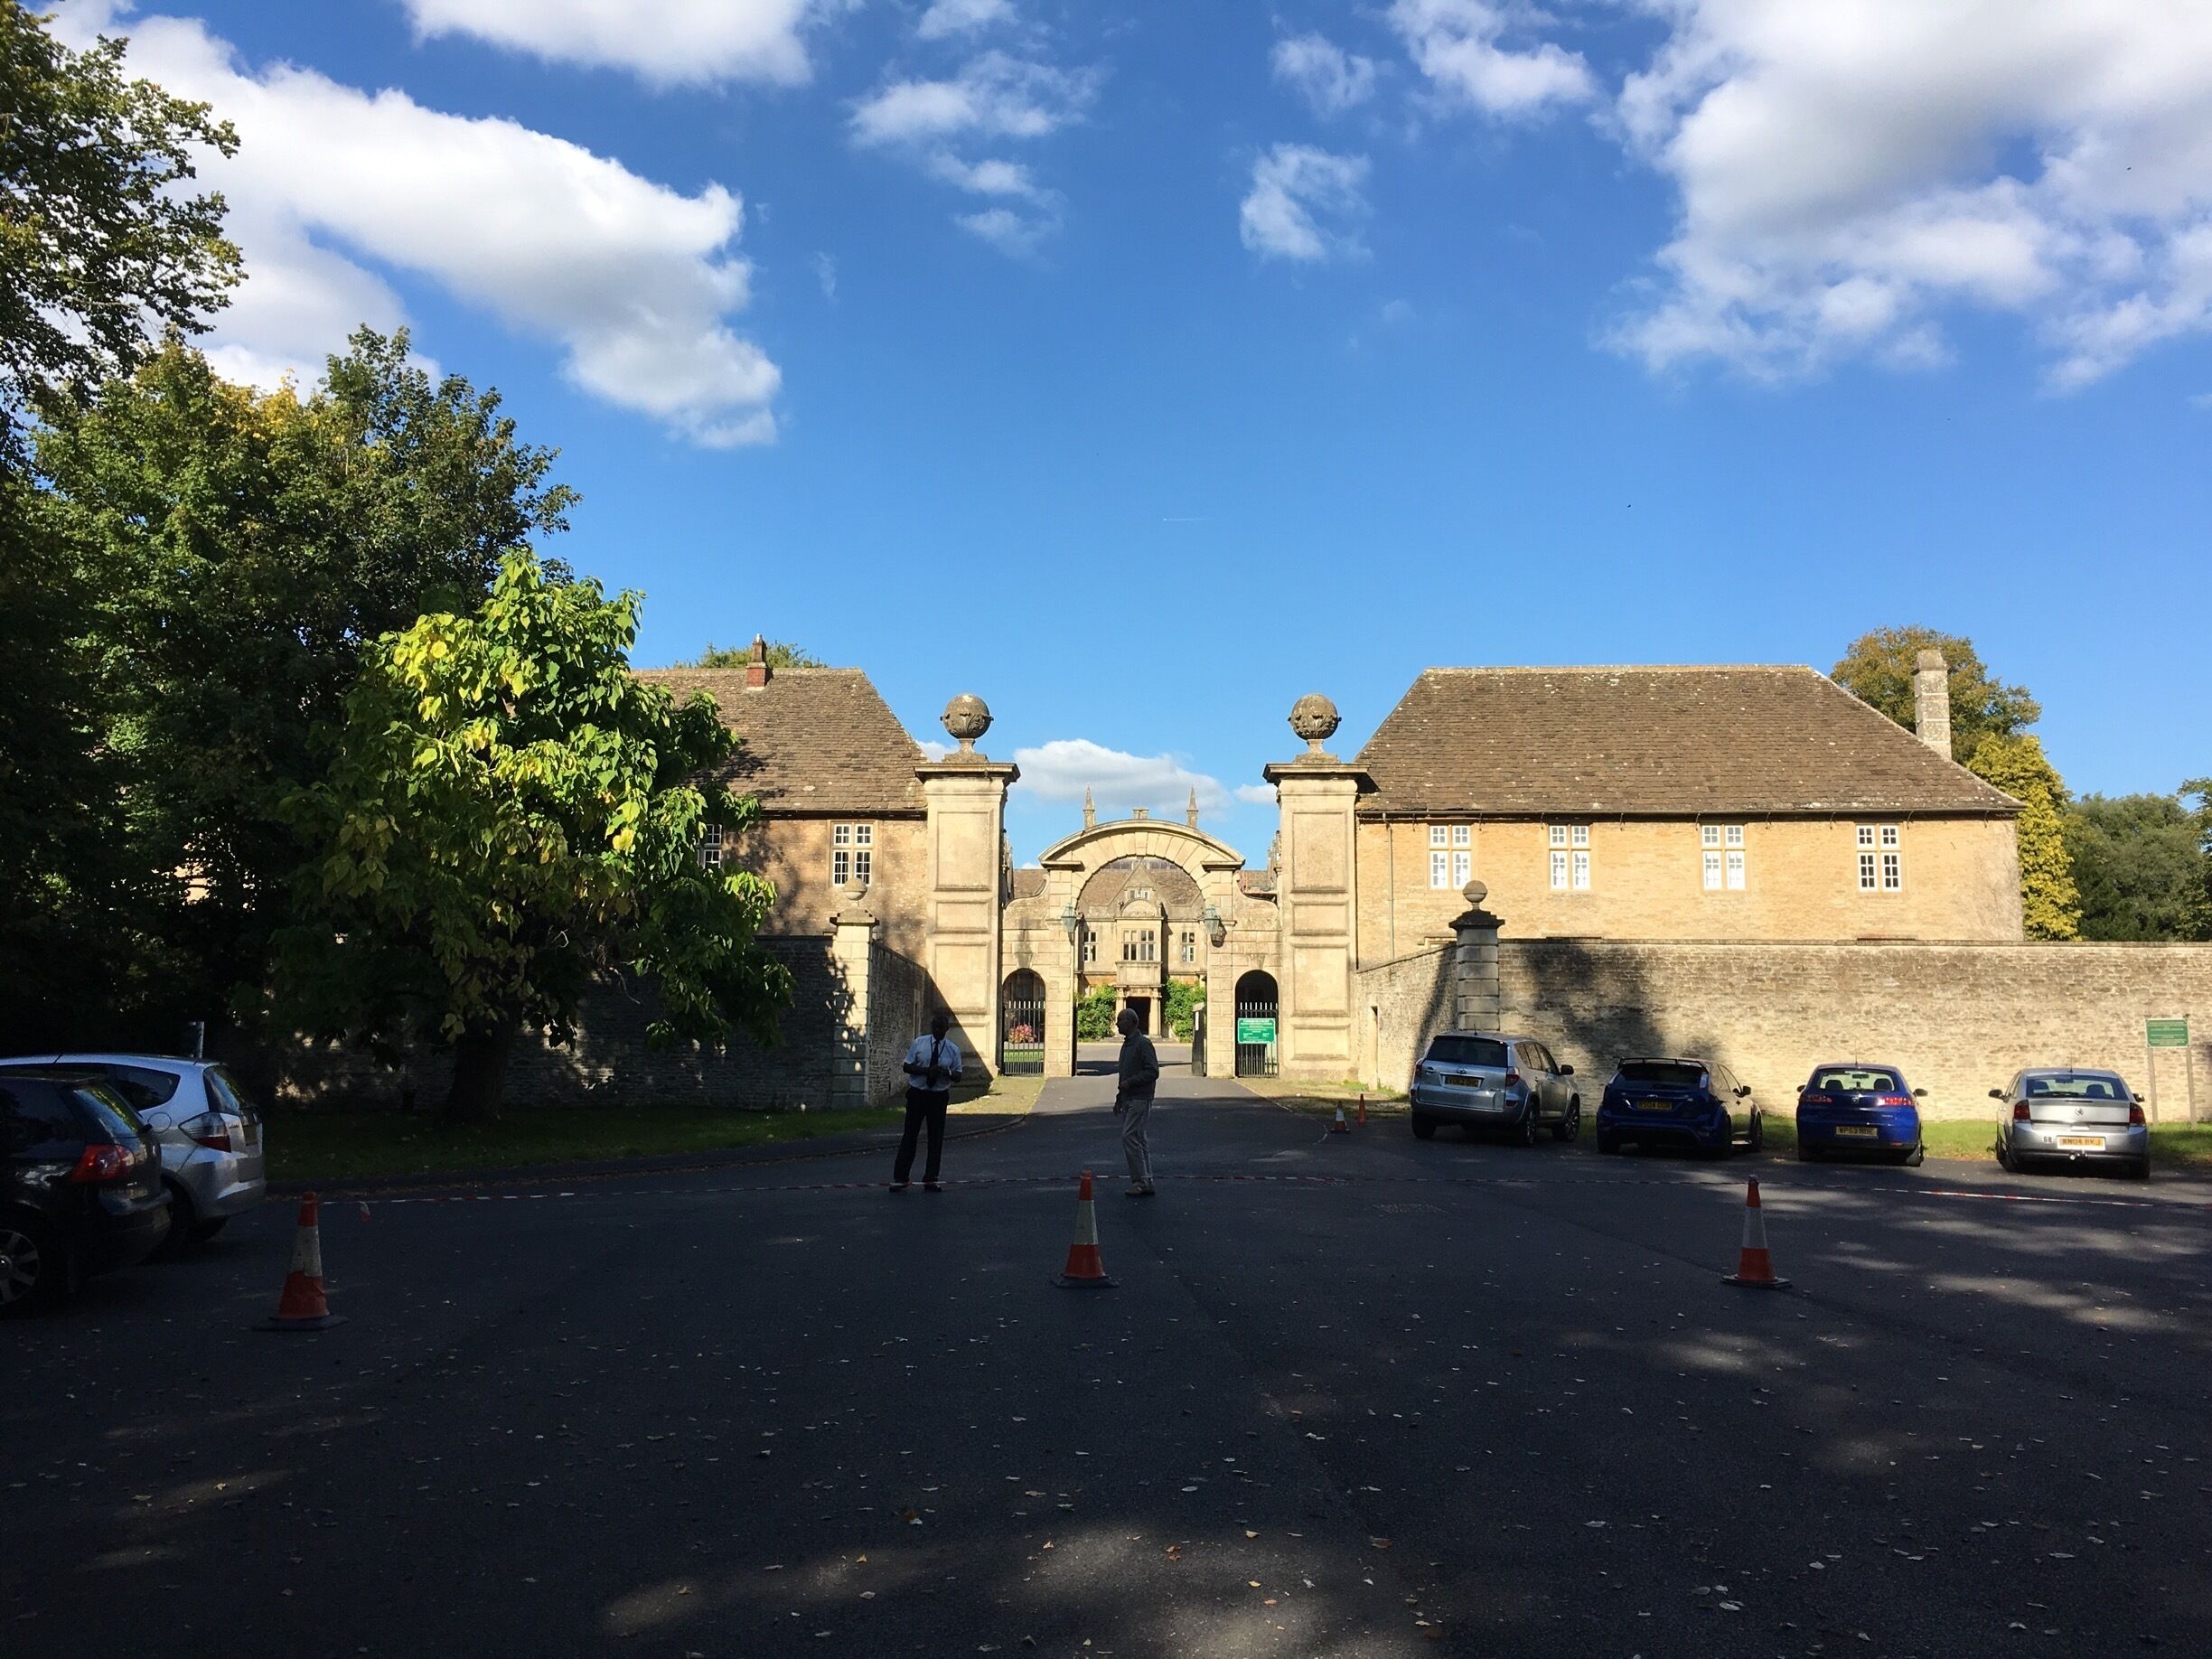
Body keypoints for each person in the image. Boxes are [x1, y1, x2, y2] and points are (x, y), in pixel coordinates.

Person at [890, 1010, 962, 1193]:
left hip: (938, 1096)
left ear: (947, 1029)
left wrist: (944, 1072)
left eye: (942, 1028)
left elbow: (958, 1075)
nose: (938, 1030)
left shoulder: (953, 1050)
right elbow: (907, 1066)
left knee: (936, 1138)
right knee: (910, 1136)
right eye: (935, 1027)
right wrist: (926, 1071)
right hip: (918, 1094)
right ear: (932, 1027)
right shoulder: (919, 1044)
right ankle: (900, 1178)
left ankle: (931, 1179)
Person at [1111, 1007, 1160, 1197]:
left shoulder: (1143, 1044)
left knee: (1129, 1136)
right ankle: (1147, 1180)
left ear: (1132, 1022)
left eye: (1120, 1020)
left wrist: (1130, 1083)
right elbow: (1124, 1074)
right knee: (1139, 1138)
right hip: (1129, 1097)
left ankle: (1139, 1181)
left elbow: (1153, 1071)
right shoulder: (1127, 1045)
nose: (1117, 1024)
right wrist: (1119, 1098)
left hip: (1140, 1097)